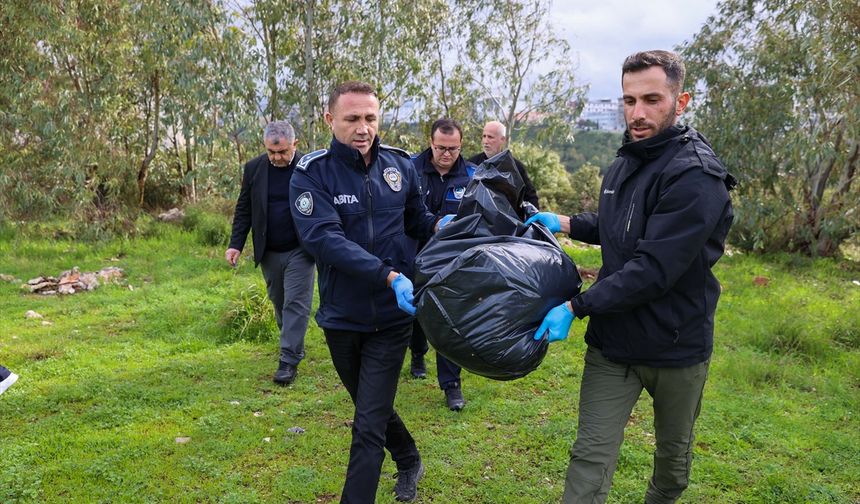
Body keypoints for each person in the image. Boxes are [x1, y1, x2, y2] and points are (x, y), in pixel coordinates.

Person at [526, 50, 735, 503]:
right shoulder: (626, 161)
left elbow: (653, 269)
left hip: (675, 347)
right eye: (628, 100)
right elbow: (619, 225)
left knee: (672, 465)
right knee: (589, 459)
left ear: (681, 102)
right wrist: (561, 222)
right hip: (614, 345)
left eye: (652, 100)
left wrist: (575, 306)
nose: (637, 113)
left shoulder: (696, 176)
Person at [289, 81, 450, 503]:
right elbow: (324, 239)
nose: (363, 128)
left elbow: (417, 218)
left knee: (366, 427)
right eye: (353, 119)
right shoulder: (311, 172)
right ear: (330, 119)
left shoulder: (399, 165)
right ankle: (410, 456)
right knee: (369, 406)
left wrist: (438, 226)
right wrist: (388, 275)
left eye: (370, 118)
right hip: (342, 317)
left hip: (393, 318)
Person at [225, 120, 316, 386]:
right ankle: (293, 341)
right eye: (271, 152)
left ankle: (288, 360)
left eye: (283, 152)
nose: (277, 158)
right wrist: (235, 244)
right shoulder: (254, 169)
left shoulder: (309, 168)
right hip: (269, 250)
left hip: (301, 248)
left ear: (295, 145)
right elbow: (244, 209)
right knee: (279, 301)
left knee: (295, 304)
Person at [408, 118, 475, 411]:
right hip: (412, 253)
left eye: (453, 149)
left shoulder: (473, 176)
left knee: (448, 320)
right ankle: (417, 352)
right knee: (413, 313)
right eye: (440, 148)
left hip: (451, 260)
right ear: (430, 143)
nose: (447, 154)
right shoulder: (409, 169)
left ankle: (451, 386)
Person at [467, 120, 540, 209]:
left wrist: (533, 219)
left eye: (490, 137)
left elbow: (530, 197)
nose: (485, 141)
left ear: (502, 140)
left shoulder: (516, 167)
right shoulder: (471, 164)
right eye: (484, 136)